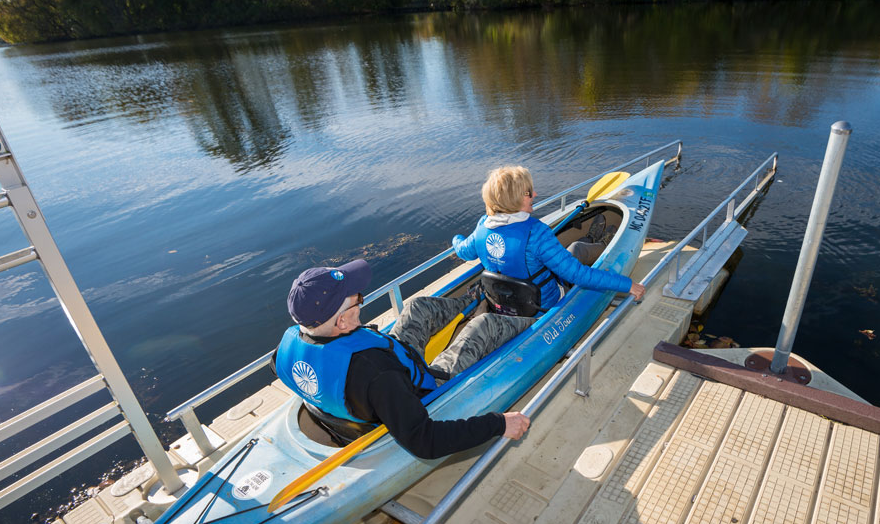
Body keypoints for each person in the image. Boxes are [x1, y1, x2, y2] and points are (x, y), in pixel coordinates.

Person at [274, 259, 530, 459]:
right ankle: (540, 319)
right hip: (423, 391)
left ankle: (471, 299)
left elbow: (283, 365)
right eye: (357, 300)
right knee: (483, 326)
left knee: (417, 307)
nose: (361, 302)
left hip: (390, 368)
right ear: (341, 321)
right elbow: (425, 441)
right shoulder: (378, 375)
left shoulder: (284, 351)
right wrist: (499, 424)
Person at [452, 165, 646, 313]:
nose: (534, 195)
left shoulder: (481, 227)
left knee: (563, 254)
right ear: (513, 200)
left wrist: (455, 239)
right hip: (542, 306)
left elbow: (464, 251)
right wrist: (627, 284)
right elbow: (577, 275)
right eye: (528, 193)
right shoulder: (537, 233)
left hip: (505, 304)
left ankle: (592, 238)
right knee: (576, 249)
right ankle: (602, 243)